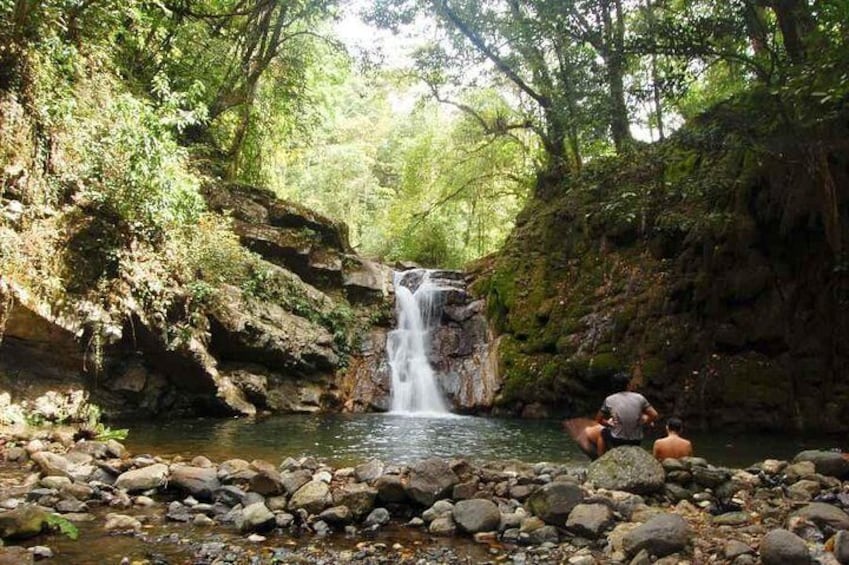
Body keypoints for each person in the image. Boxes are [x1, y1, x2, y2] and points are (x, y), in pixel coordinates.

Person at [596, 372, 658, 456]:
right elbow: (654, 415)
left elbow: (598, 419)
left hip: (617, 440)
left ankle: (600, 458)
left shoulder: (609, 400)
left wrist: (609, 424)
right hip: (636, 440)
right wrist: (644, 422)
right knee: (644, 416)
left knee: (602, 433)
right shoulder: (639, 397)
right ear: (628, 385)